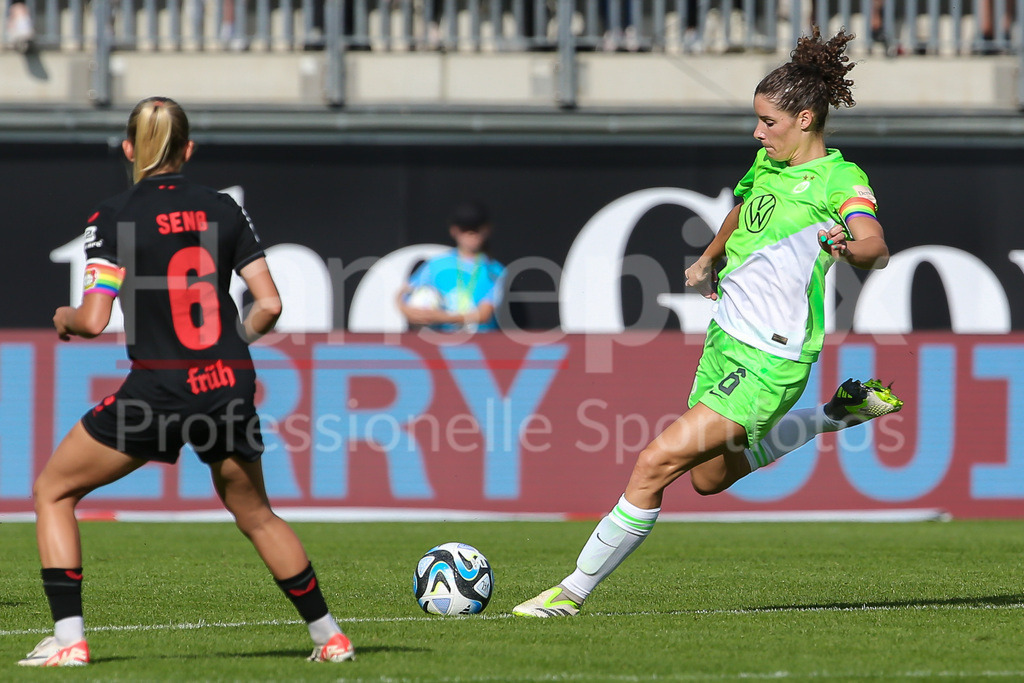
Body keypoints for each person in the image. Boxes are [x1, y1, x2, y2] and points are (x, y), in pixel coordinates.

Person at [513, 27, 904, 618]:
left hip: (772, 357)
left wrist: (849, 249)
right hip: (726, 342)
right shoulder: (767, 163)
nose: (757, 132)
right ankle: (836, 415)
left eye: (768, 122)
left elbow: (875, 243)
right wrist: (710, 255)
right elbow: (745, 206)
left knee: (654, 463)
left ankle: (569, 594)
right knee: (709, 479)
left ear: (804, 119)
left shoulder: (838, 181)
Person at [18, 97, 355, 666]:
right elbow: (269, 306)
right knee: (256, 513)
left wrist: (64, 320)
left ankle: (70, 641)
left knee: (54, 491)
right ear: (189, 150)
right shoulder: (223, 209)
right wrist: (233, 344)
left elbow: (95, 319)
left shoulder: (113, 216)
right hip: (226, 383)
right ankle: (330, 637)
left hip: (158, 390)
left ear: (128, 149)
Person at [396, 202, 506, 332]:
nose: (471, 234)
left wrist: (441, 317)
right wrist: (408, 311)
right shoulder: (436, 264)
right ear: (454, 230)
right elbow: (403, 293)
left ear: (487, 230)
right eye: (464, 229)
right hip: (442, 343)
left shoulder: (494, 270)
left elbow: (483, 315)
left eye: (476, 229)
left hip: (479, 344)